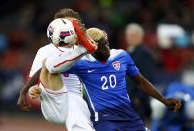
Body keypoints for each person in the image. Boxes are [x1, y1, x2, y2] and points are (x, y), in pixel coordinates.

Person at [46, 27, 181, 131]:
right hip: (104, 117)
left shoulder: (121, 56)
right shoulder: (81, 63)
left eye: (106, 43)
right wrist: (28, 89)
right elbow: (50, 67)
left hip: (128, 114)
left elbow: (140, 81)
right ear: (90, 48)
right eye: (101, 45)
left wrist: (163, 100)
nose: (106, 48)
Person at [17, 9, 96, 131]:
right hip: (52, 100)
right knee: (49, 66)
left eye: (73, 27)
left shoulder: (87, 53)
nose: (69, 32)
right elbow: (36, 76)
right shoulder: (45, 51)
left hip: (74, 98)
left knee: (80, 118)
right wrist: (30, 90)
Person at [124, 23, 156, 120]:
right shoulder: (128, 52)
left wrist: (137, 98)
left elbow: (147, 78)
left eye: (133, 35)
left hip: (138, 102)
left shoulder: (144, 54)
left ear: (140, 37)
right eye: (128, 35)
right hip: (127, 99)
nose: (130, 38)